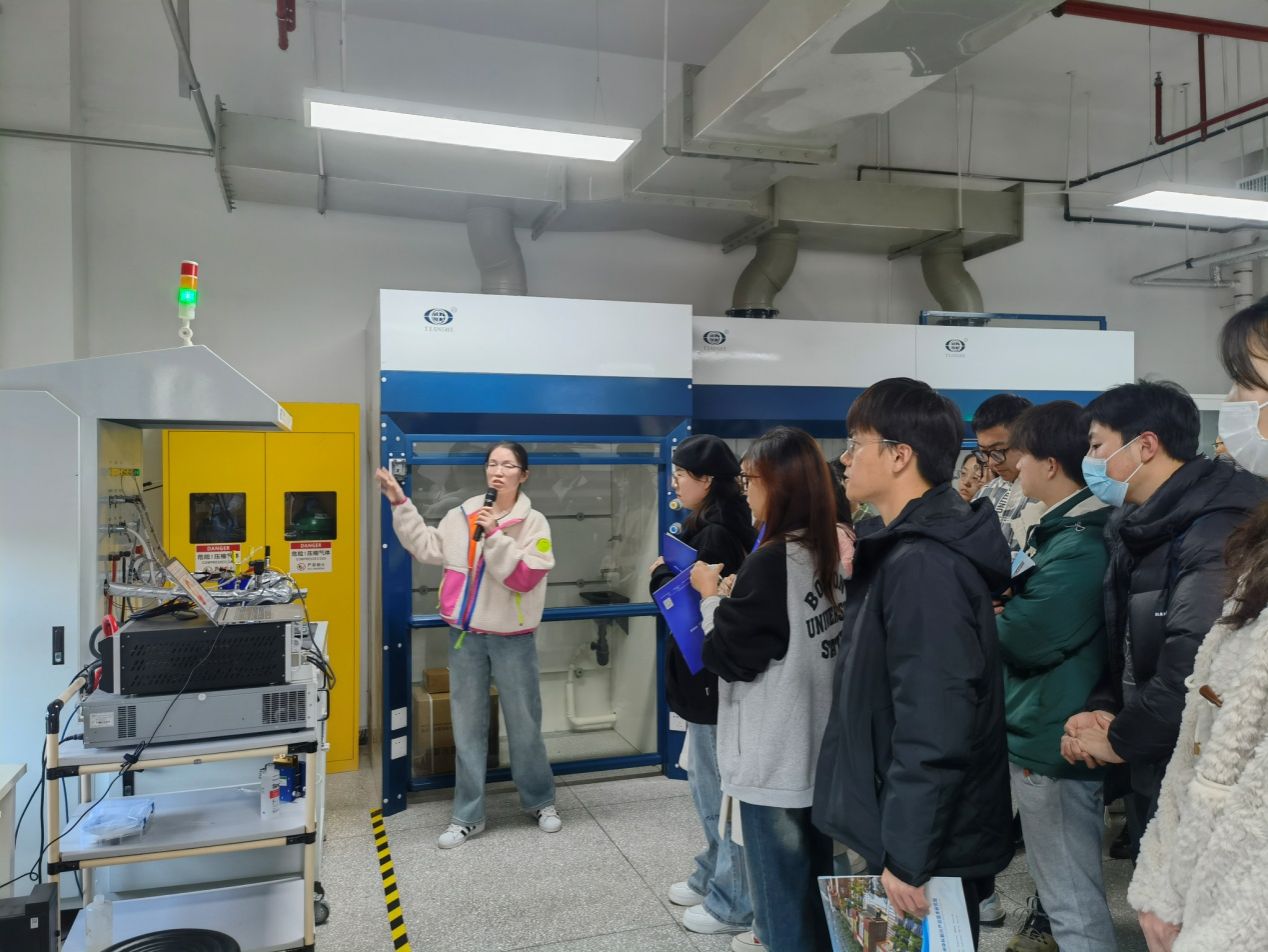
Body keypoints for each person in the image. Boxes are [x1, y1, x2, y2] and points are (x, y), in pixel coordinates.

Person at [813, 377, 1013, 950]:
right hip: (904, 822)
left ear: (900, 455)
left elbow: (934, 721)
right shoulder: (898, 548)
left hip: (926, 844)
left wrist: (906, 852)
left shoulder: (925, 565)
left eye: (856, 443)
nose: (845, 458)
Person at [1062, 380, 1267, 850]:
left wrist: (1120, 739)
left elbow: (1194, 662)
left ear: (1146, 446)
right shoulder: (1137, 525)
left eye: (1096, 446)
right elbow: (1129, 643)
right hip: (1153, 749)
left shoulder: (1215, 527)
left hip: (1195, 760)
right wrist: (1105, 707)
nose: (1089, 461)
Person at [1128, 300, 1268, 951]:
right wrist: (1167, 883)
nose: (1233, 403)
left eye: (1246, 383)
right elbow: (1208, 739)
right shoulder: (1257, 542)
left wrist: (1204, 920)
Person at [690, 426, 846, 952]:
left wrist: (711, 598)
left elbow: (728, 657)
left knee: (781, 911)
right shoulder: (824, 549)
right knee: (812, 896)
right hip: (816, 751)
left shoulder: (772, 560)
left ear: (779, 485)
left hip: (773, 758)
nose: (746, 491)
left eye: (750, 479)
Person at [375, 442, 560, 849]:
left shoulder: (534, 523)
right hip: (466, 636)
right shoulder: (461, 515)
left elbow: (523, 577)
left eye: (508, 465)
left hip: (514, 638)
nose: (498, 471)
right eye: (492, 463)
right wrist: (400, 503)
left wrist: (494, 534)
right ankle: (467, 816)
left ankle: (540, 801)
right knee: (468, 728)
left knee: (525, 725)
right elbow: (426, 547)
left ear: (524, 475)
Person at [995, 402, 1116, 952]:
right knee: (1062, 889)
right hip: (1045, 724)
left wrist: (996, 615)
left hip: (1057, 735)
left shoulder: (1081, 543)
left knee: (1070, 899)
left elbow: (1024, 636)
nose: (1014, 467)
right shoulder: (1058, 532)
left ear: (1048, 463)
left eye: (1018, 456)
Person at [648, 435, 758, 940]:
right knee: (705, 785)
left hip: (710, 679)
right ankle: (713, 872)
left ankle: (733, 897)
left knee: (717, 792)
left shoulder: (718, 534)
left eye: (681, 474)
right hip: (702, 676)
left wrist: (660, 579)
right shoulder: (709, 525)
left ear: (707, 479)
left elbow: (694, 603)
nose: (675, 482)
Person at [973, 393, 1044, 553]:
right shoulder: (985, 493)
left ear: (1028, 439)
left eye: (998, 451)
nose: (991, 463)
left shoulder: (1048, 494)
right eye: (984, 452)